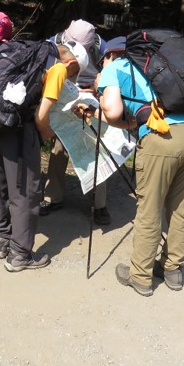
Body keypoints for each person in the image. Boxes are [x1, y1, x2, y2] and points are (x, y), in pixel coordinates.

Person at [84, 35, 184, 296]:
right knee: (181, 208)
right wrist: (93, 113)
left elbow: (114, 112)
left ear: (109, 55)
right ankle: (173, 270)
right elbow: (131, 122)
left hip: (162, 139)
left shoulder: (115, 68)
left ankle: (140, 275)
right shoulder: (160, 67)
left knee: (149, 208)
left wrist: (96, 100)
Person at [0, 41, 88, 272]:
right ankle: (20, 255)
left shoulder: (28, 54)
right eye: (75, 72)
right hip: (18, 130)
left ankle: (1, 240)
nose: (71, 79)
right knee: (24, 191)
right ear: (71, 62)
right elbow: (42, 114)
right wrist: (46, 133)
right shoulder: (59, 68)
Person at [40, 20, 112, 223]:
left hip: (91, 97)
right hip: (62, 95)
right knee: (59, 147)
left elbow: (109, 72)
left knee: (94, 149)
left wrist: (97, 88)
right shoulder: (55, 43)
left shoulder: (101, 46)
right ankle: (52, 197)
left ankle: (99, 204)